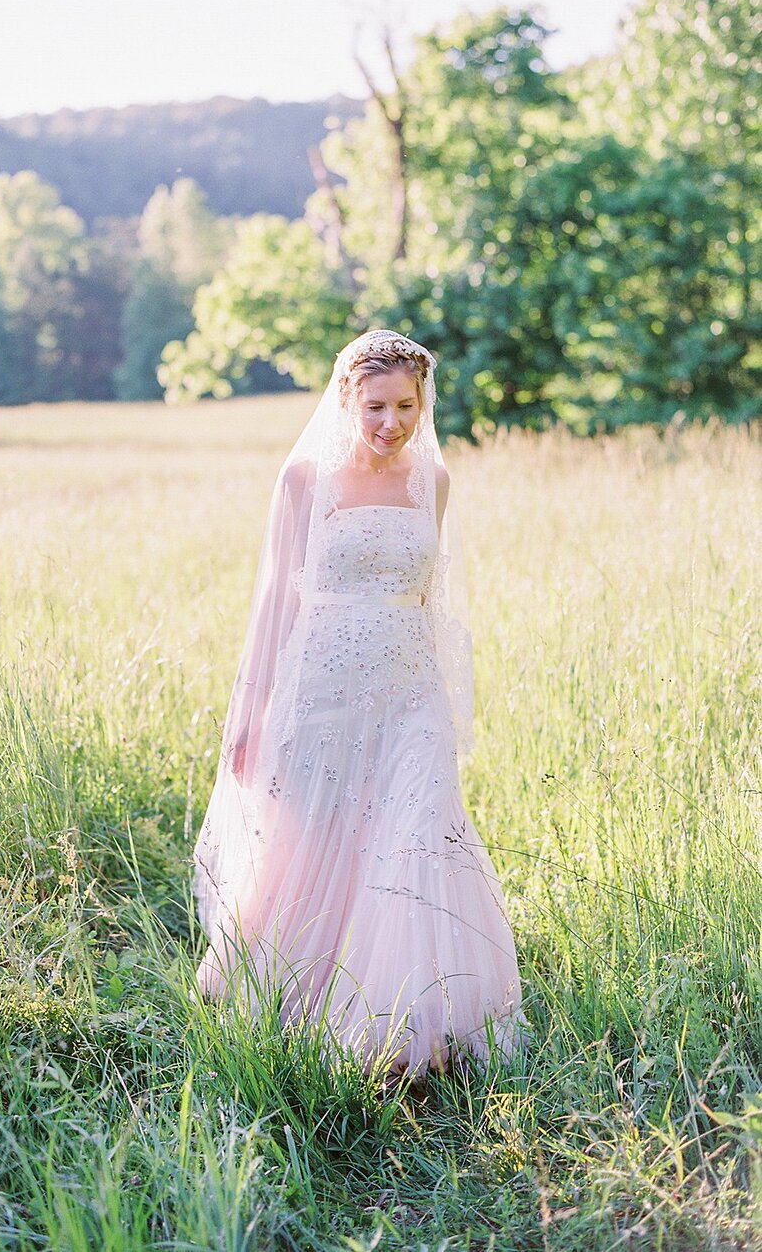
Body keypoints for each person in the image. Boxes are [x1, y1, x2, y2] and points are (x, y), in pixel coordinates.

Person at [193, 329, 524, 1077]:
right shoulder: (305, 480)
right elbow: (277, 596)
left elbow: (435, 601)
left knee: (415, 840)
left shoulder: (432, 482)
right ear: (347, 397)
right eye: (376, 405)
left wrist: (445, 704)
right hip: (322, 690)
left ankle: (415, 1026)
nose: (391, 422)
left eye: (407, 404)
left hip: (412, 696)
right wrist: (249, 711)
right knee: (311, 842)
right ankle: (301, 997)